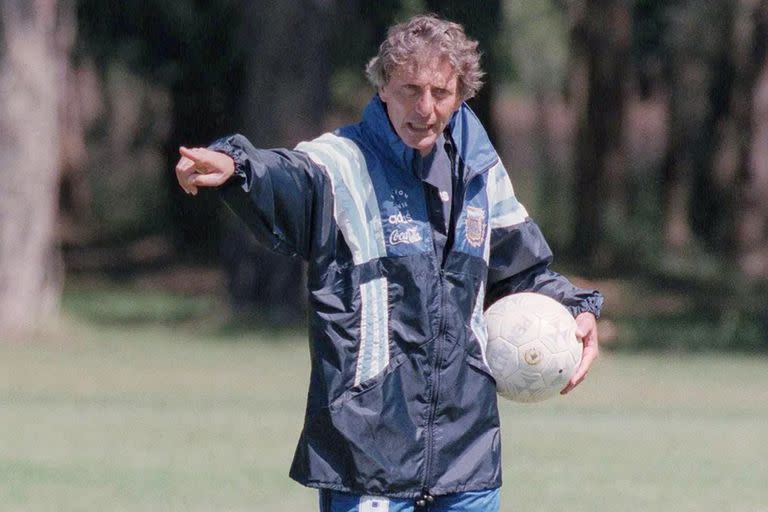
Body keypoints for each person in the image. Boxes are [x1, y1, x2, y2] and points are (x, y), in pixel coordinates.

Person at [175, 14, 602, 512]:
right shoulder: (341, 164)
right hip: (367, 457)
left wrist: (576, 308)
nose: (424, 108)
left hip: (467, 462)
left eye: (440, 92)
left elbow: (523, 274)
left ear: (462, 94)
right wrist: (238, 167)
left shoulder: (483, 174)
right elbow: (286, 177)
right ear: (382, 88)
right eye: (409, 90)